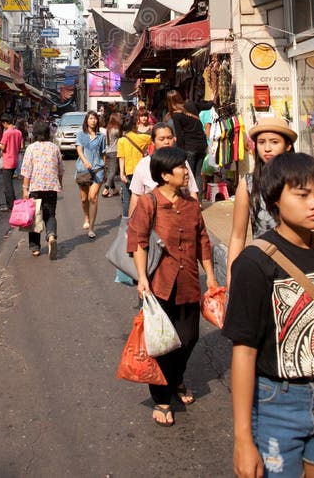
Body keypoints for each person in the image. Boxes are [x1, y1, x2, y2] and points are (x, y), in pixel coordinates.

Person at [223, 152, 314, 478]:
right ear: (274, 200)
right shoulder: (254, 262)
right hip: (277, 405)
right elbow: (244, 351)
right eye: (302, 195)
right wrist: (242, 439)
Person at [127, 146, 217, 426]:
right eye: (181, 168)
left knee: (188, 338)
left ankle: (176, 378)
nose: (186, 172)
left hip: (188, 280)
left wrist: (211, 277)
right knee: (162, 344)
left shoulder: (191, 205)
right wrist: (142, 277)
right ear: (165, 175)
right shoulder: (148, 202)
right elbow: (138, 242)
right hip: (159, 284)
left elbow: (203, 241)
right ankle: (162, 397)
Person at [227, 117, 314, 285]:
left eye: (274, 142)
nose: (267, 148)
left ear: (288, 145)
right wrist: (232, 281)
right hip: (265, 267)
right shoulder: (249, 184)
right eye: (261, 142)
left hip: (304, 265)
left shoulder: (304, 179)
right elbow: (238, 236)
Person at [128, 122, 199, 215]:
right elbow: (136, 195)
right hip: (154, 219)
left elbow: (192, 190)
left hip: (182, 215)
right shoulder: (143, 164)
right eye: (161, 139)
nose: (166, 142)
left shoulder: (182, 162)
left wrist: (195, 215)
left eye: (170, 138)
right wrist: (131, 222)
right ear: (153, 142)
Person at [20, 120, 63, 258]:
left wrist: (25, 190)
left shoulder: (31, 148)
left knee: (35, 217)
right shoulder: (54, 148)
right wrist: (59, 184)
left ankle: (35, 248)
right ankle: (51, 236)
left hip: (35, 187)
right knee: (50, 214)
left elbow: (27, 171)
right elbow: (60, 170)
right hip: (51, 187)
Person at [75, 110, 106, 239]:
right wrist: (85, 161)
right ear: (86, 120)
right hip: (83, 169)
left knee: (93, 197)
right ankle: (86, 216)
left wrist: (104, 168)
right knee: (84, 199)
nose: (93, 121)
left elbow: (103, 153)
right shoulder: (81, 135)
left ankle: (92, 228)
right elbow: (79, 149)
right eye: (91, 118)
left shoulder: (101, 136)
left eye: (95, 118)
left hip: (98, 169)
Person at [165, 90, 207, 183]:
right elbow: (206, 106)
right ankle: (198, 198)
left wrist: (180, 153)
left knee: (190, 176)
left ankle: (191, 197)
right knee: (197, 175)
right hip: (201, 145)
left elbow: (180, 136)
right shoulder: (190, 105)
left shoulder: (176, 115)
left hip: (190, 148)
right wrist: (212, 100)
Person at [117, 116, 151, 217]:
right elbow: (154, 139)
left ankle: (127, 221)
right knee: (141, 196)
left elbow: (121, 157)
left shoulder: (121, 140)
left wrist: (122, 173)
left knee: (127, 198)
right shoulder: (143, 138)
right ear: (134, 126)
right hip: (141, 171)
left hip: (128, 172)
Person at [0, 113, 23, 212]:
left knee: (7, 185)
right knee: (10, 184)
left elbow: (3, 147)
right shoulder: (18, 132)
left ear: (5, 123)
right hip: (15, 160)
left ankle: (11, 205)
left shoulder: (6, 133)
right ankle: (13, 203)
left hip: (7, 160)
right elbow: (21, 146)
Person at [101, 112, 121, 197]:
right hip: (115, 152)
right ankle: (105, 189)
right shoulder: (116, 130)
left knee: (110, 171)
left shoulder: (108, 129)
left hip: (108, 151)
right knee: (113, 171)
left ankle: (114, 189)